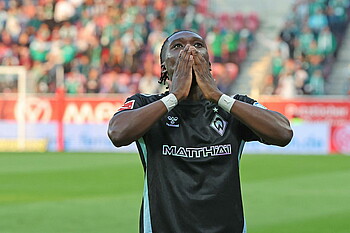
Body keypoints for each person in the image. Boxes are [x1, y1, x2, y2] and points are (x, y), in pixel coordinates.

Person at [108, 30, 293, 233]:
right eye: (178, 46)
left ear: (209, 63)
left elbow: (283, 133)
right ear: (163, 67)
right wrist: (175, 96)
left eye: (198, 45)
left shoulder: (234, 108)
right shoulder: (147, 104)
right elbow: (117, 133)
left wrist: (217, 95)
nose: (189, 51)